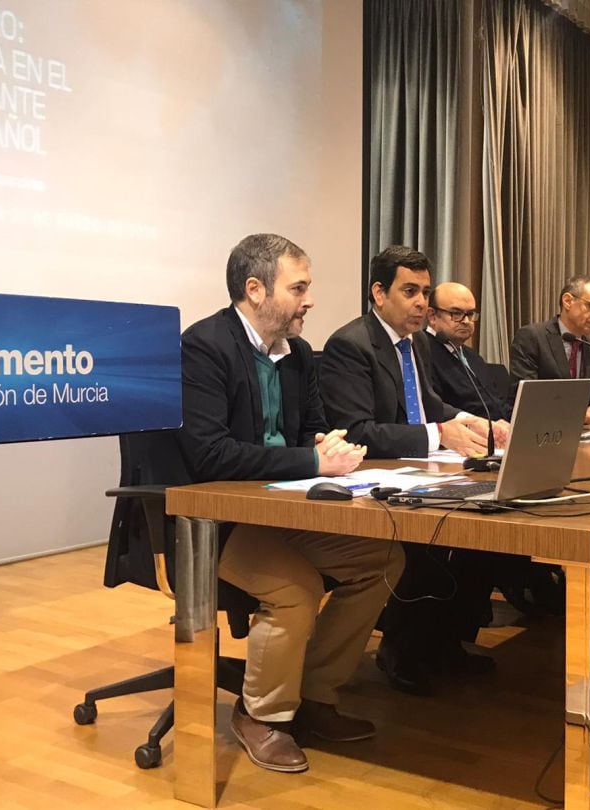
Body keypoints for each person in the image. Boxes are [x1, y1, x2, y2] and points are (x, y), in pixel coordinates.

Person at [175, 233, 404, 774]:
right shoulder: (203, 347)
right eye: (298, 287)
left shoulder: (299, 354)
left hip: (286, 510)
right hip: (220, 520)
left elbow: (313, 431)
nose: (310, 300)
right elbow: (210, 456)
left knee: (383, 561)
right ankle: (261, 714)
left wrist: (327, 445)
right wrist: (312, 461)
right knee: (296, 588)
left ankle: (313, 693)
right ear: (255, 290)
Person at [319, 246, 502, 696]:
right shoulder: (351, 345)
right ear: (379, 293)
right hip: (374, 479)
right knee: (427, 542)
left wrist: (474, 422)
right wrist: (441, 434)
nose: (422, 302)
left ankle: (444, 642)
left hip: (418, 469)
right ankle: (401, 648)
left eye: (424, 291)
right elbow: (359, 429)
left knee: (489, 533)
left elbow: (428, 405)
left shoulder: (414, 343)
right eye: (410, 291)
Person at [509, 275, 590, 426]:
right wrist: (578, 414)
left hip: (582, 438)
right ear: (568, 301)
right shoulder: (532, 337)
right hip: (539, 433)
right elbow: (526, 399)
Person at [424, 281, 509, 422]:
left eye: (470, 314)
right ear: (432, 316)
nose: (466, 321)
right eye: (456, 313)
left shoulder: (472, 356)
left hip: (498, 434)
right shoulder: (421, 351)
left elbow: (497, 403)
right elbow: (434, 409)